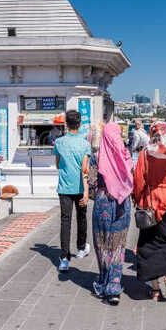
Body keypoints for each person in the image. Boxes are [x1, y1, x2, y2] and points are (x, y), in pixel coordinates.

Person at [131, 120, 166, 300]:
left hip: (150, 202)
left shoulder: (144, 155)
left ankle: (155, 288)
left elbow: (139, 181)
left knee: (148, 244)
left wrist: (137, 199)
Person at [86, 110, 134, 304]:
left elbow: (90, 184)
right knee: (118, 244)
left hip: (103, 201)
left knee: (102, 242)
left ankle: (105, 281)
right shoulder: (126, 154)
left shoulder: (96, 157)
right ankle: (115, 284)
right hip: (124, 203)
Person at [51, 108, 91, 270]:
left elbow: (57, 164)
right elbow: (85, 170)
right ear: (80, 124)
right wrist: (87, 192)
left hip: (64, 186)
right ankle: (81, 248)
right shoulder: (85, 144)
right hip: (80, 187)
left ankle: (64, 258)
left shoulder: (59, 143)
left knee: (65, 220)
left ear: (66, 124)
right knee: (81, 218)